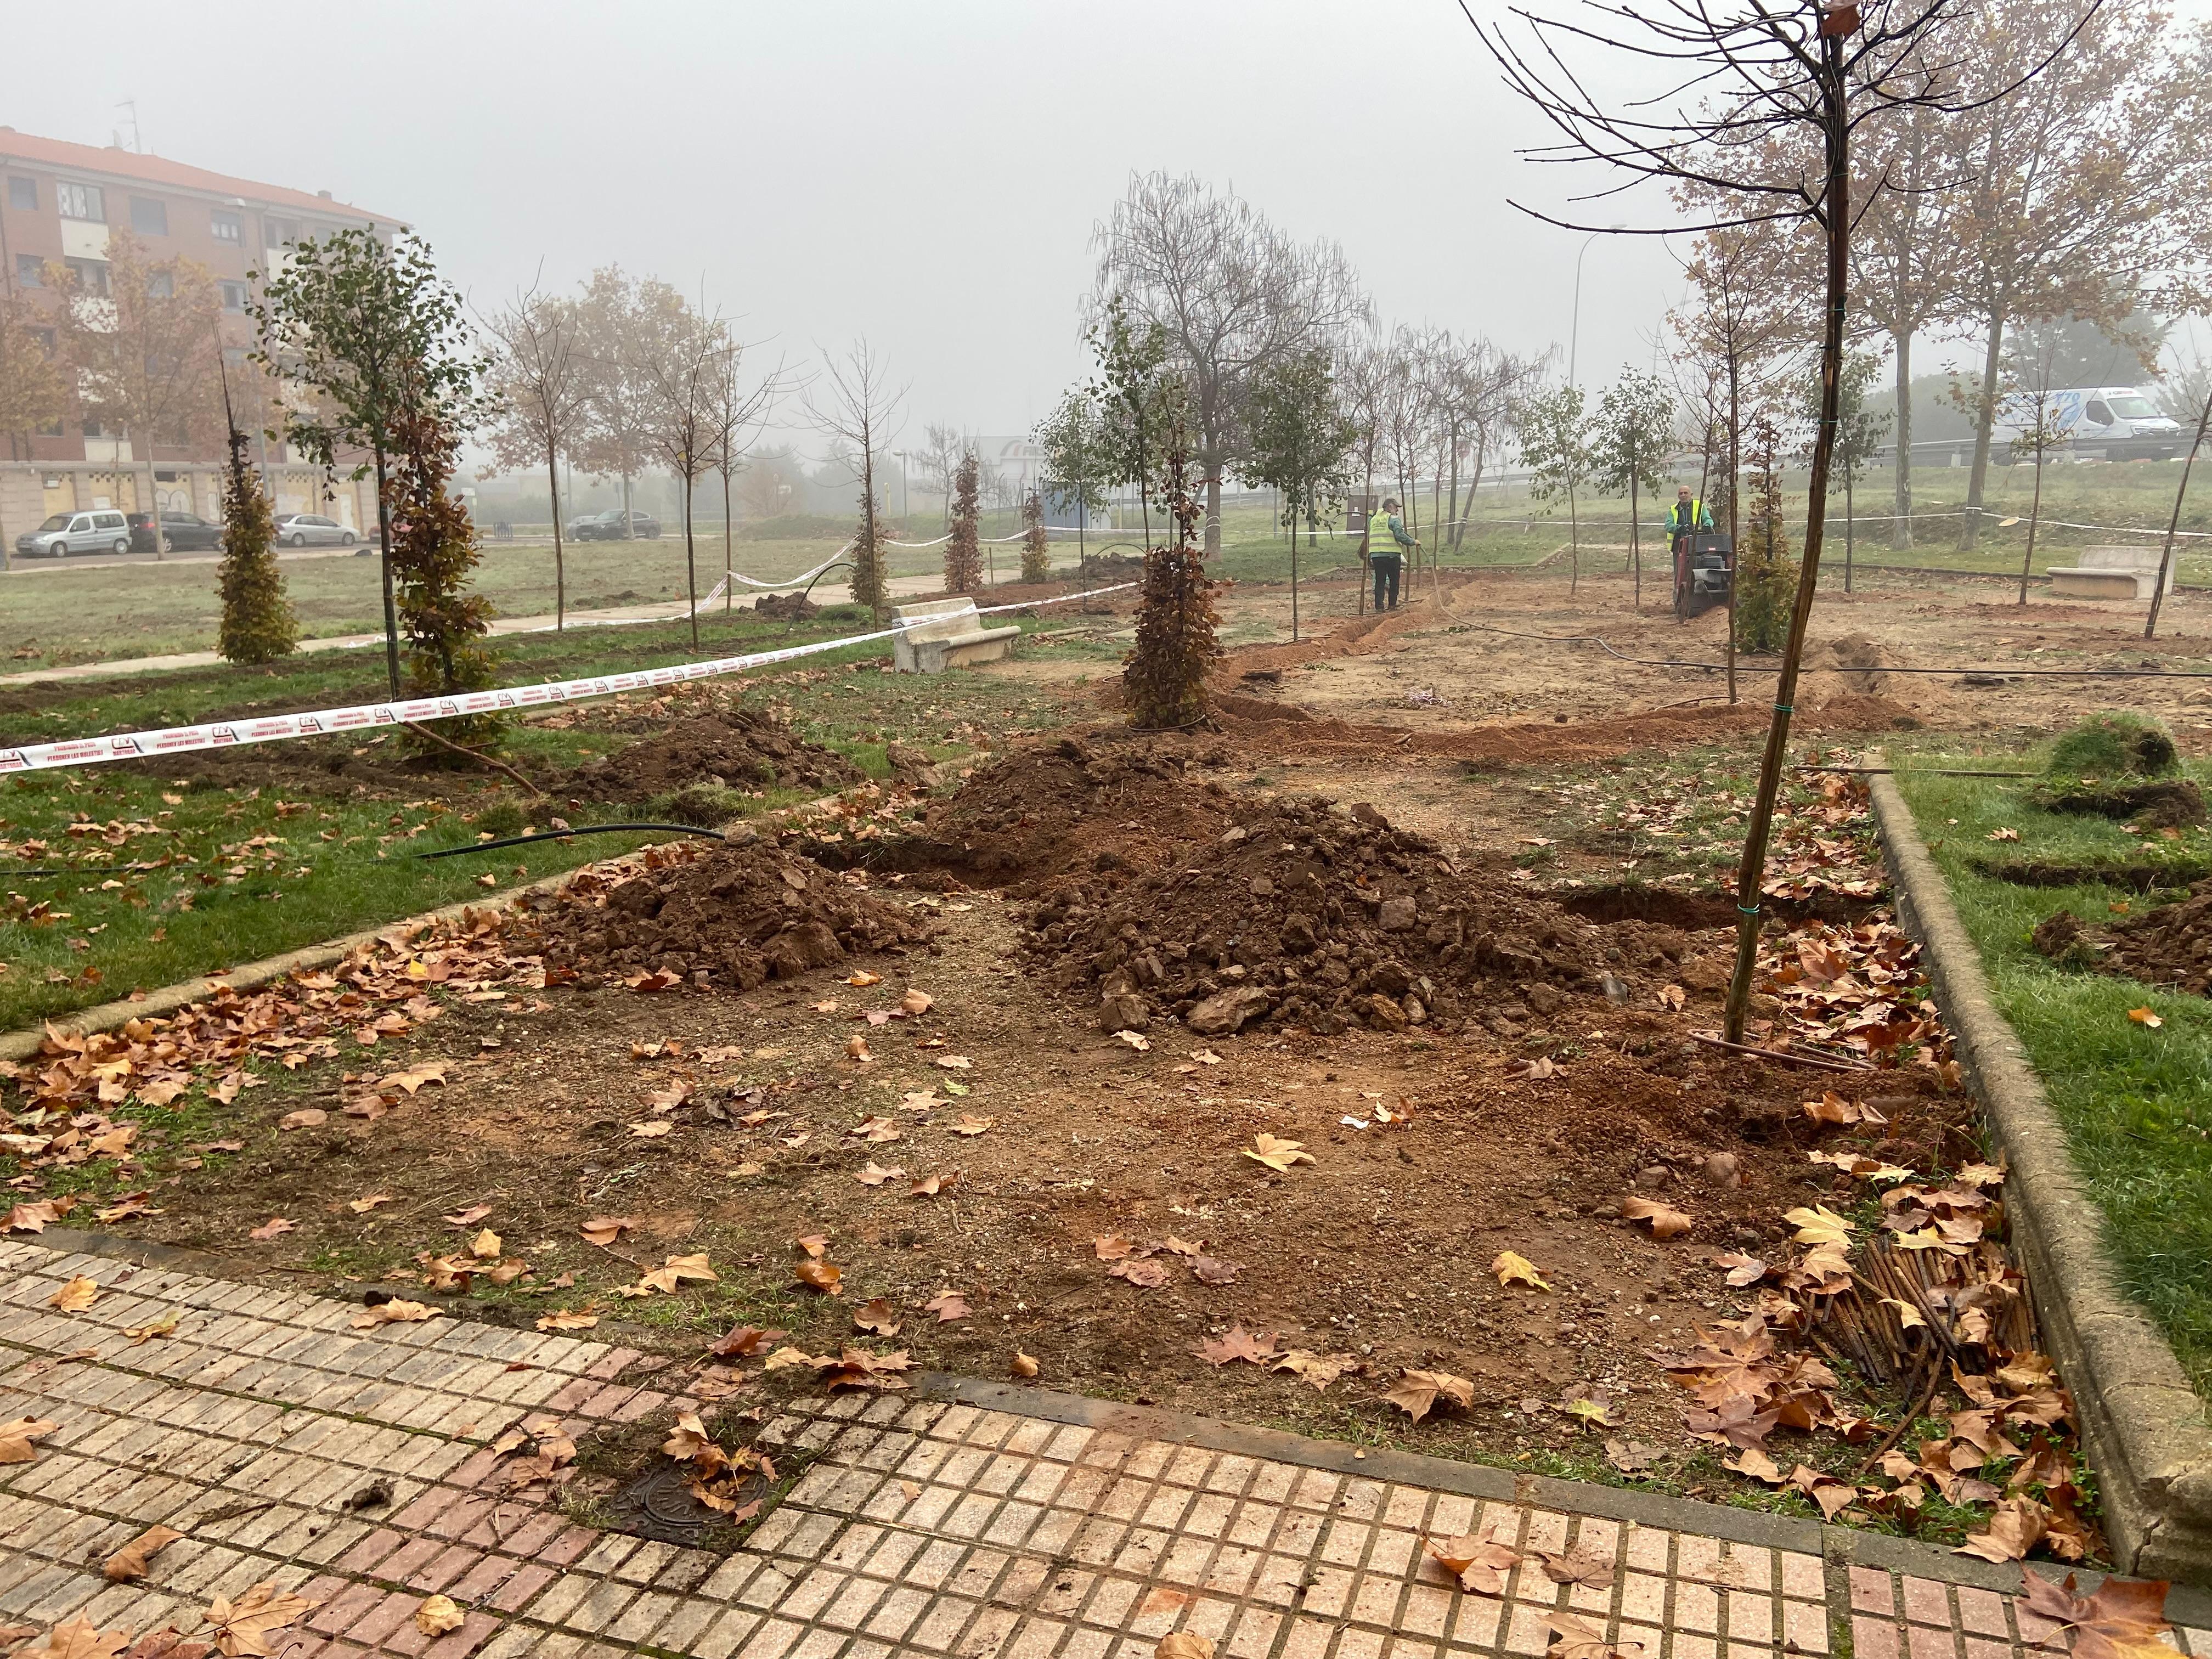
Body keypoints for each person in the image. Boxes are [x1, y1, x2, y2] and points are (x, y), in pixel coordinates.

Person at [1665, 484, 1713, 607]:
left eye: (1685, 493)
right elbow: (1668, 526)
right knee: (1680, 573)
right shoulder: (1673, 510)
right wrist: (1679, 528)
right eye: (1681, 493)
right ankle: (1678, 601)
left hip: (1697, 544)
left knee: (1698, 567)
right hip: (1679, 546)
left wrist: (1708, 525)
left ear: (1691, 495)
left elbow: (1708, 519)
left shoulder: (1700, 506)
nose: (1683, 495)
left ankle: (1699, 592)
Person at [1367, 496, 1414, 610]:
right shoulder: (1394, 519)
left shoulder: (1373, 519)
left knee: (1380, 581)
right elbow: (1399, 535)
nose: (1397, 511)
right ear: (1390, 507)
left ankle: (1379, 606)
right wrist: (1413, 542)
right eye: (1396, 508)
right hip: (1391, 555)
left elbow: (1369, 522)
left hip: (1376, 555)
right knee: (1394, 580)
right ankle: (1392, 605)